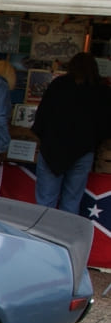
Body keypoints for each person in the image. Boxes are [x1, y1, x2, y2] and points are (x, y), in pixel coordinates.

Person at [31, 52, 111, 212]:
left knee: (45, 203)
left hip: (52, 150)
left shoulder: (58, 85)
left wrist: (44, 139)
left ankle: (41, 237)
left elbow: (41, 117)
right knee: (71, 203)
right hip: (83, 151)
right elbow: (106, 126)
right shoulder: (101, 91)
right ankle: (64, 237)